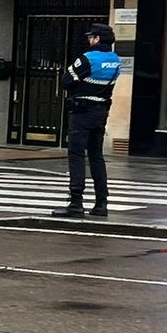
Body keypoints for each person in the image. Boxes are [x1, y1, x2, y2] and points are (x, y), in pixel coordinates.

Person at [51, 23, 121, 218]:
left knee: (76, 155)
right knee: (96, 156)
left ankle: (76, 202)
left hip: (82, 112)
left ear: (97, 39)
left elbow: (66, 80)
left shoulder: (88, 58)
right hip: (101, 113)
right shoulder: (115, 60)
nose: (89, 40)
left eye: (91, 37)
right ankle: (101, 203)